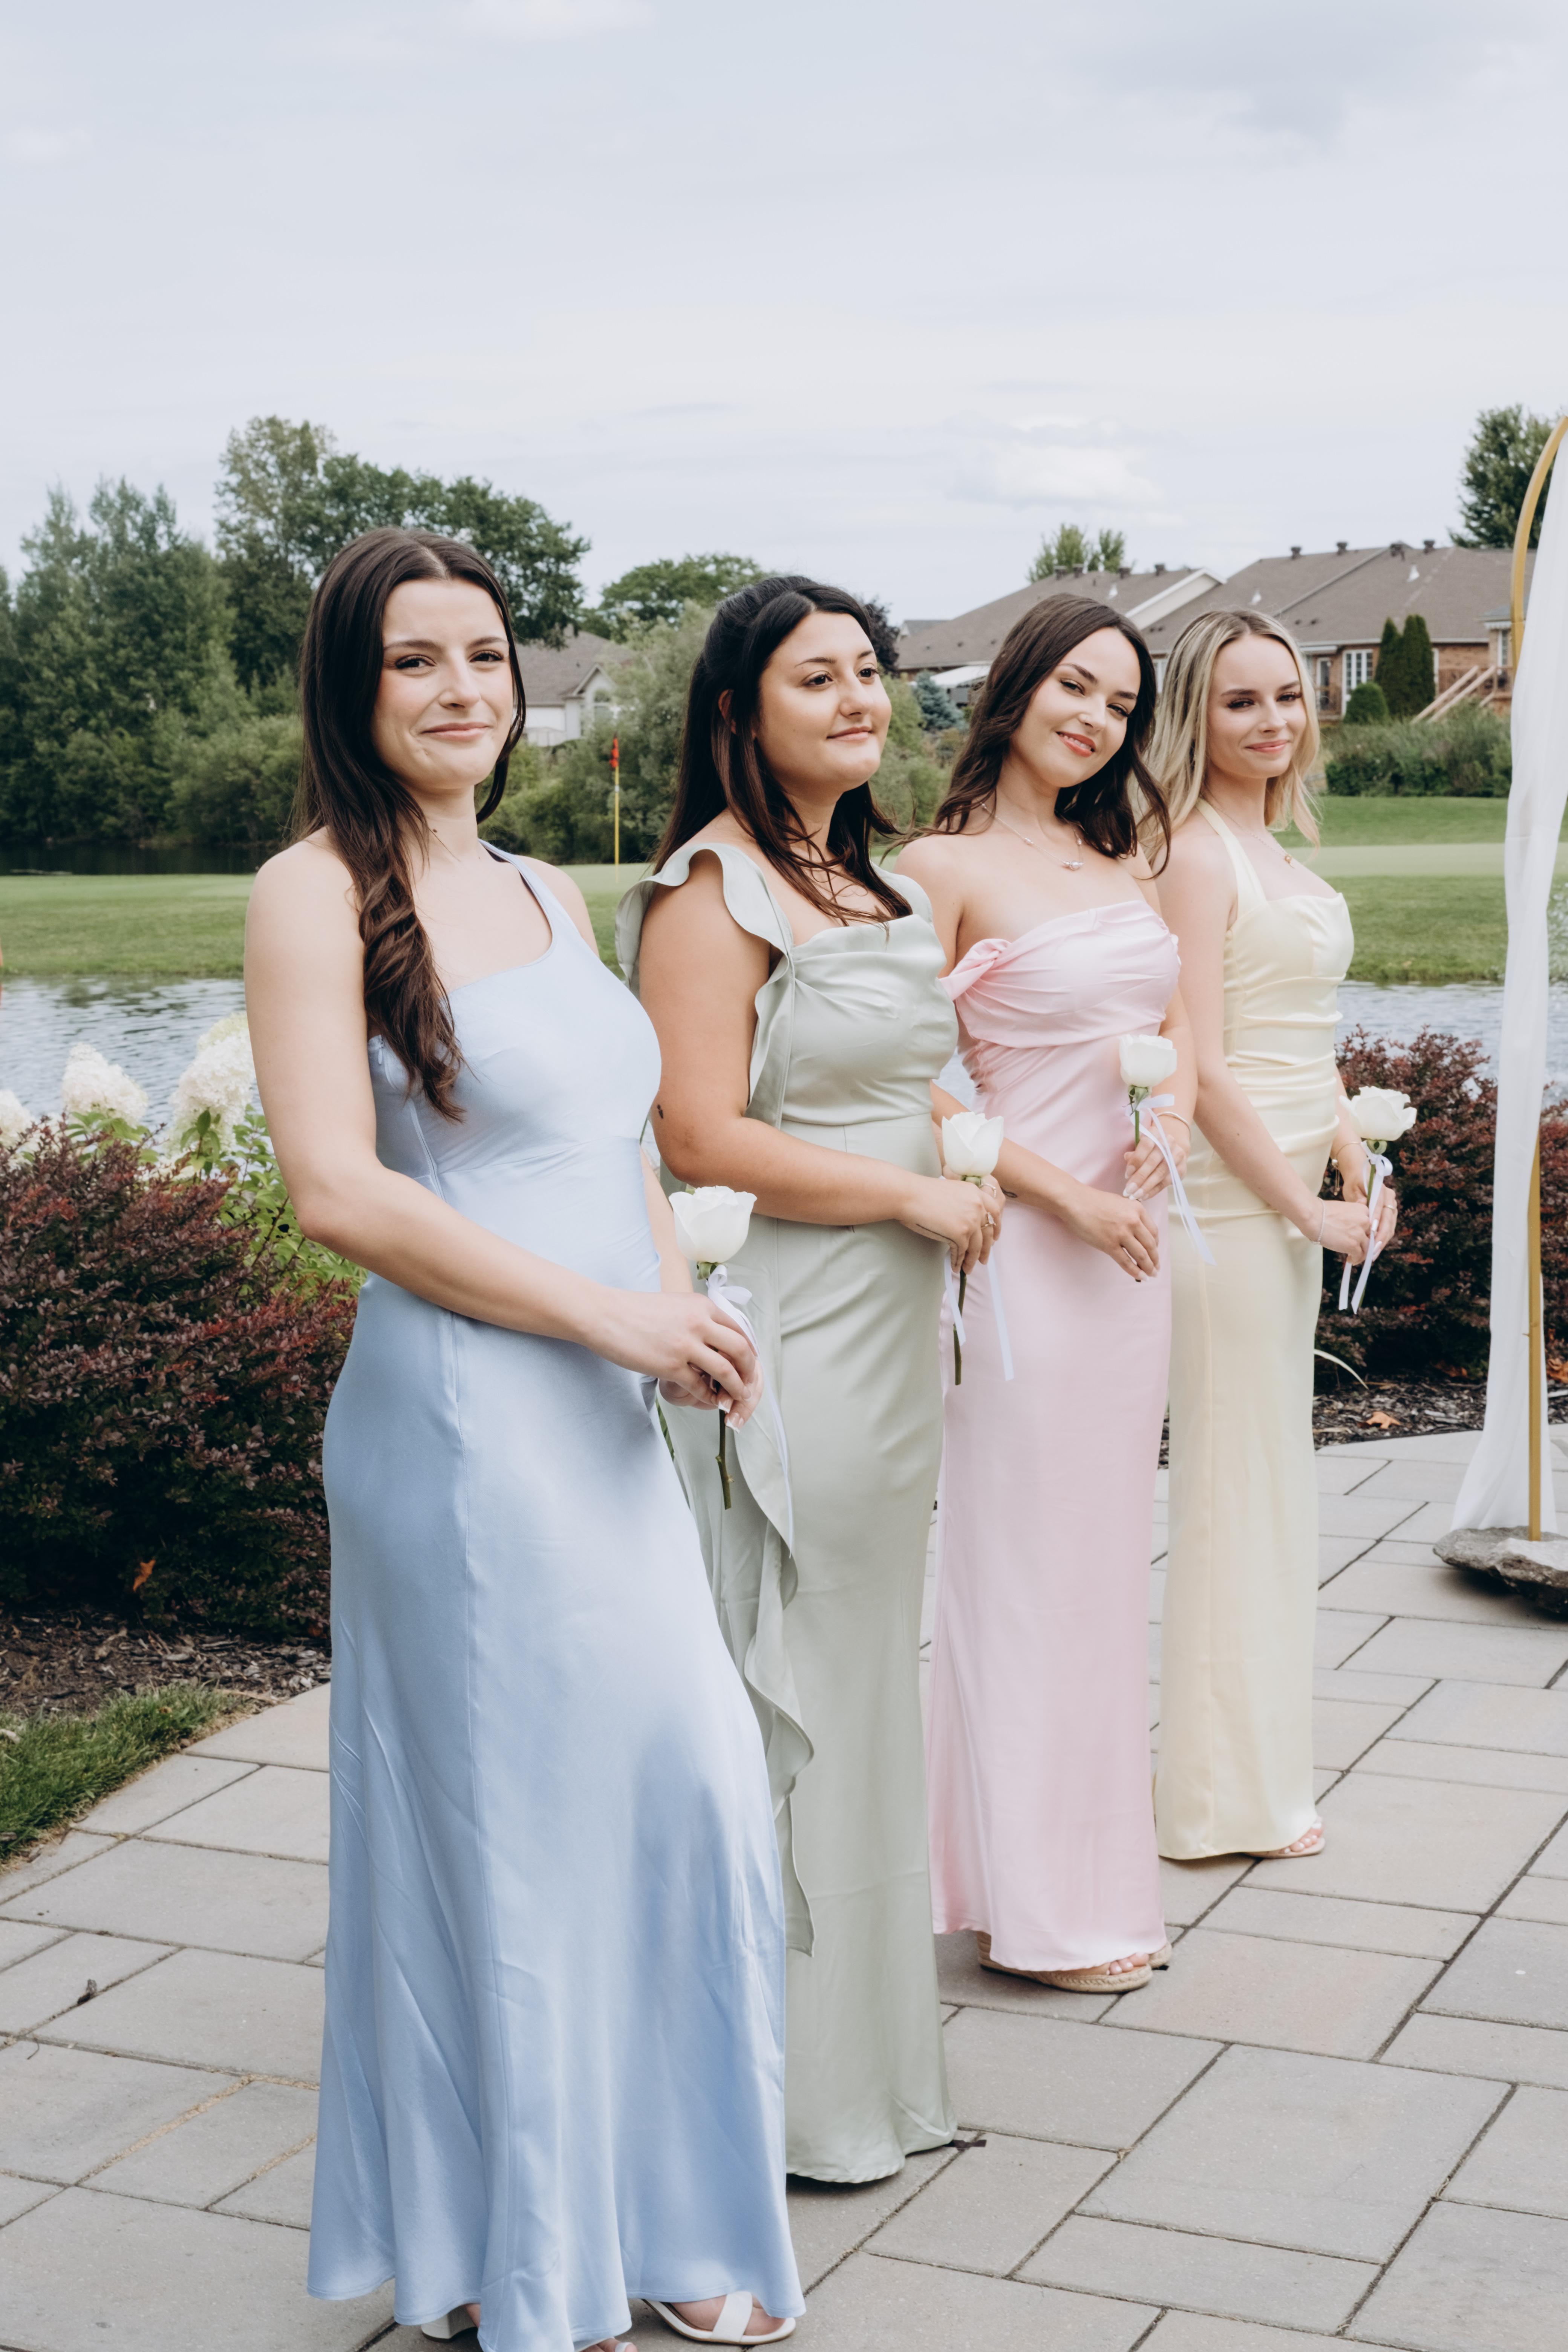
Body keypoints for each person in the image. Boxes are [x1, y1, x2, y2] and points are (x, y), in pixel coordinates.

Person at [245, 528, 801, 2352]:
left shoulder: (545, 887)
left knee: (686, 1794)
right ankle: (522, 2249)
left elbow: (619, 1148)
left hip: (604, 1411)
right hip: (463, 1429)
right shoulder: (312, 894)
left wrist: (679, 1323)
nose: (460, 688)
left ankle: (675, 2213)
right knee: (511, 1834)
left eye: (483, 654)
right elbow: (338, 1195)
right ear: (352, 689)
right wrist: (607, 1320)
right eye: (414, 660)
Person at [619, 576, 998, 2184]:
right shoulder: (710, 892)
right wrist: (911, 1194)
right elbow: (695, 1134)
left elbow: (905, 1079)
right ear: (738, 712)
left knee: (864, 1687)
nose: (857, 701)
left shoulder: (880, 884)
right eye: (815, 678)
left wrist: (966, 1158)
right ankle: (758, 2099)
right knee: (790, 1679)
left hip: (896, 1330)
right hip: (793, 1325)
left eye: (868, 672)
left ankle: (868, 2077)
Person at [899, 595, 1192, 1994]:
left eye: (1122, 705)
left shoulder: (1122, 857)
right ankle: (1040, 1911)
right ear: (1014, 688)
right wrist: (1063, 1196)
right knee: (1020, 1570)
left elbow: (1172, 1025)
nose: (1096, 719)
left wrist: (1171, 1118)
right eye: (1076, 686)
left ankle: (1059, 1879)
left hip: (1133, 1253)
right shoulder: (939, 866)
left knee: (1100, 1571)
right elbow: (908, 1078)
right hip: (1024, 1253)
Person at [1147, 607, 1396, 1864]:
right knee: (1234, 1492)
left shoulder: (1277, 847)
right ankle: (1214, 1802)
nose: (1273, 721)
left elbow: (1300, 1040)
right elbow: (1199, 1062)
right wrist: (1303, 1206)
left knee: (1274, 1486)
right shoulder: (1195, 855)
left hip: (1298, 1195)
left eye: (1288, 696)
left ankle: (1257, 1777)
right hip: (1235, 1208)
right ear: (1195, 714)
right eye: (1241, 701)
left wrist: (1352, 1148)